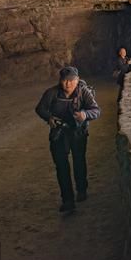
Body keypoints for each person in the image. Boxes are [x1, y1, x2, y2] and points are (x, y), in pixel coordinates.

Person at [35, 66, 100, 213]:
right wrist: (49, 118)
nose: (68, 84)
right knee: (61, 166)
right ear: (60, 80)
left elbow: (96, 110)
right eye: (64, 80)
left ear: (77, 80)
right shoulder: (51, 93)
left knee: (79, 161)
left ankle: (81, 189)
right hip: (59, 133)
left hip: (77, 133)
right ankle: (68, 200)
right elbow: (40, 109)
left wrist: (84, 114)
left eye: (71, 80)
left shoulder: (83, 92)